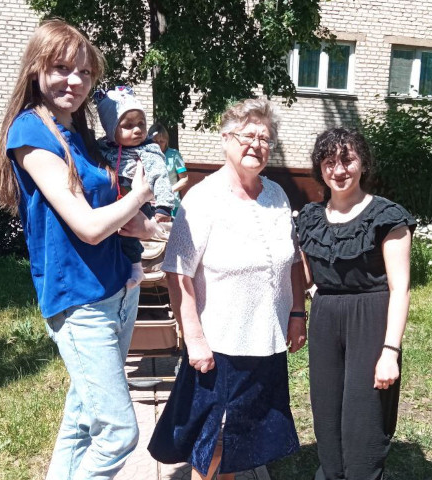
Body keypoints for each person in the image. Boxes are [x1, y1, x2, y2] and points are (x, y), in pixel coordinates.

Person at [0, 19, 156, 480]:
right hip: (80, 302)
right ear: (36, 69)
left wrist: (150, 226)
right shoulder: (31, 132)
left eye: (85, 72)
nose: (75, 81)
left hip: (118, 292)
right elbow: (90, 228)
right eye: (61, 68)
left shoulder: (76, 133)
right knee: (118, 432)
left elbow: (110, 217)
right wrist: (140, 196)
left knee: (80, 421)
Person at [148, 98, 306, 480]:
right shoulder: (203, 199)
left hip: (267, 341)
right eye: (247, 135)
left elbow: (293, 260)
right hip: (221, 346)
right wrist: (194, 338)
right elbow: (178, 272)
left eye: (265, 138)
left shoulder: (277, 195)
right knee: (214, 439)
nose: (256, 145)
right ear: (225, 139)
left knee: (241, 439)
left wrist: (298, 313)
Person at [296, 128, 416, 480]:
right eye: (329, 162)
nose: (338, 170)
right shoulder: (310, 218)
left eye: (347, 160)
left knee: (364, 423)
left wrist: (390, 352)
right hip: (325, 320)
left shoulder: (387, 217)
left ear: (363, 164)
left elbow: (400, 288)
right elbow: (304, 276)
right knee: (327, 417)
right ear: (319, 168)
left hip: (371, 319)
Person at [94, 86, 174, 288]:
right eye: (128, 126)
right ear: (111, 129)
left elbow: (160, 175)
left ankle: (137, 268)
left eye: (141, 124)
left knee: (129, 236)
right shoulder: (101, 147)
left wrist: (164, 206)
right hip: (113, 200)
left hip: (136, 200)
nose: (137, 130)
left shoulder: (148, 150)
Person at [149, 122, 189, 216]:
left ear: (166, 141)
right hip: (149, 204)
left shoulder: (174, 155)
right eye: (155, 141)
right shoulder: (144, 155)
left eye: (161, 141)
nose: (158, 144)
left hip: (171, 204)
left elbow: (184, 179)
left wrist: (169, 190)